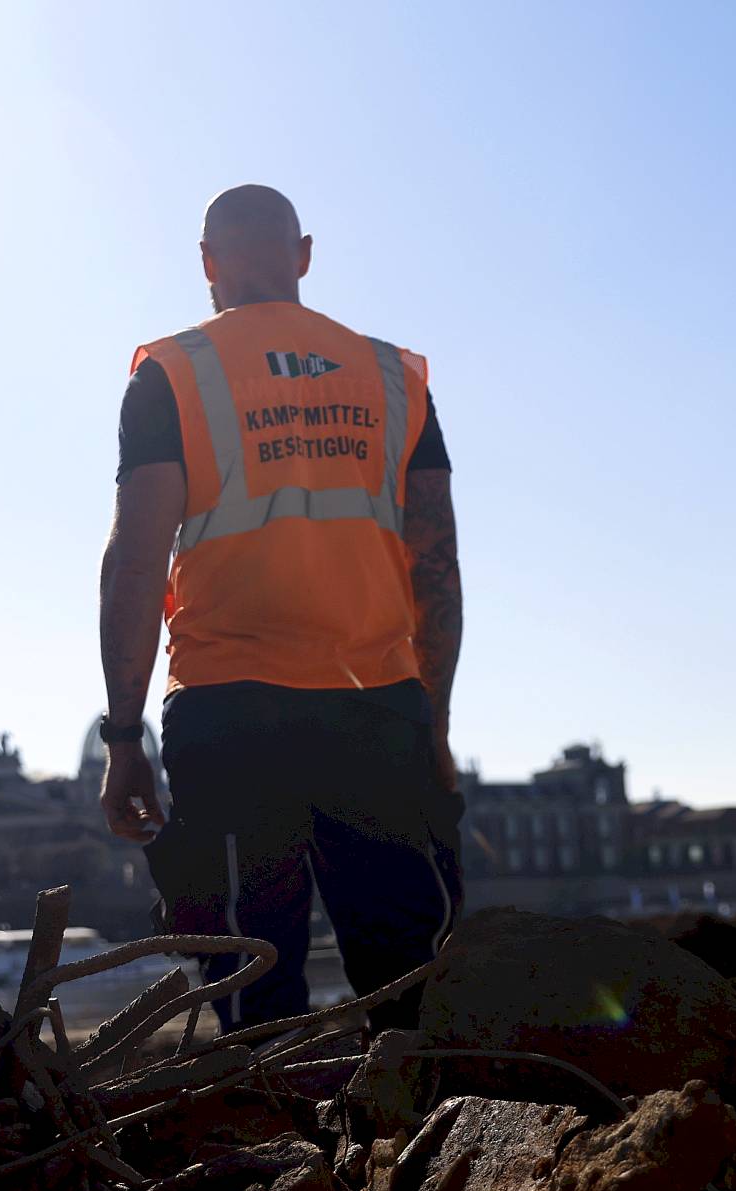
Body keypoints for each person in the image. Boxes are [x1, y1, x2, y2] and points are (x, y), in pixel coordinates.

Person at [97, 185, 464, 1032]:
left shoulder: (173, 372)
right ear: (303, 254)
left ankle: (277, 1150)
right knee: (403, 981)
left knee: (249, 978)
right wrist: (433, 726)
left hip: (231, 711)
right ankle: (412, 1149)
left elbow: (136, 558)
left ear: (207, 263)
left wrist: (123, 737)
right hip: (376, 707)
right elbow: (436, 565)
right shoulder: (392, 377)